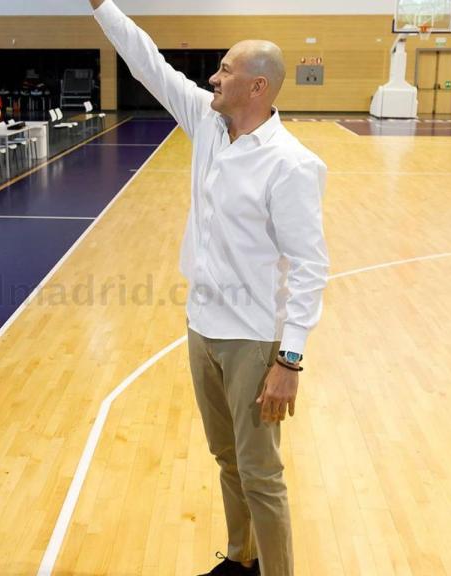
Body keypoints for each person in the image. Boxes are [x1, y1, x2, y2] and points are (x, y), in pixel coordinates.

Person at [87, 1, 329, 575]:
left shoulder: (290, 165)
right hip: (202, 329)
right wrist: (101, 5)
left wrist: (289, 361)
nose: (212, 78)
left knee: (261, 473)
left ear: (257, 86)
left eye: (224, 70)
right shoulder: (204, 120)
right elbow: (147, 62)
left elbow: (310, 267)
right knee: (227, 459)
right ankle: (241, 559)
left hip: (253, 340)